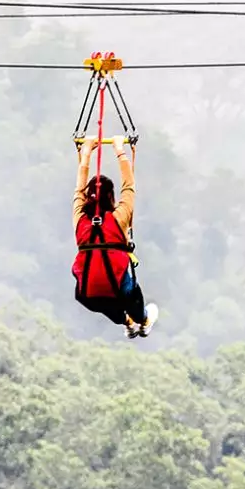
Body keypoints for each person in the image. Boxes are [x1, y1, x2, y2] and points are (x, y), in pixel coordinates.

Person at [72, 135, 158, 338]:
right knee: (129, 296)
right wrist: (120, 151)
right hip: (119, 289)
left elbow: (78, 191)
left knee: (106, 302)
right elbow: (128, 188)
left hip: (87, 293)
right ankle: (143, 321)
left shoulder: (80, 219)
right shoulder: (119, 218)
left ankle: (127, 322)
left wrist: (85, 154)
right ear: (111, 197)